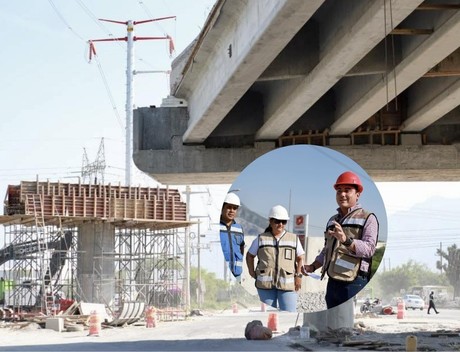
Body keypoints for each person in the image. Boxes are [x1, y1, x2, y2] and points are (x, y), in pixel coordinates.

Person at [301, 171, 379, 309]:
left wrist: (347, 240)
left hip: (354, 282)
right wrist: (312, 267)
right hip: (333, 282)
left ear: (357, 194)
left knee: (346, 324)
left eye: (347, 190)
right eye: (339, 191)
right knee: (333, 325)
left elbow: (369, 249)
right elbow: (327, 250)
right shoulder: (332, 221)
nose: (342, 194)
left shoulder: (368, 218)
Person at [246, 205, 304, 312]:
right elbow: (250, 255)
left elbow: (300, 258)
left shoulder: (293, 239)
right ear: (270, 221)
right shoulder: (261, 238)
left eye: (283, 221)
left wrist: (299, 276)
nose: (280, 224)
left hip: (287, 286)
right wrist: (251, 271)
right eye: (277, 221)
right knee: (268, 317)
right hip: (265, 286)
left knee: (289, 316)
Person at [219, 192, 245, 279]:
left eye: (234, 208)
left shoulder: (239, 228)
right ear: (222, 208)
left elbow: (241, 247)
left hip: (236, 274)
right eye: (229, 207)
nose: (232, 211)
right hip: (219, 274)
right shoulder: (215, 227)